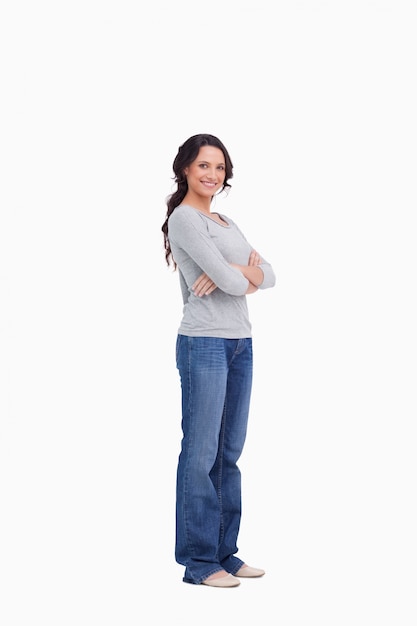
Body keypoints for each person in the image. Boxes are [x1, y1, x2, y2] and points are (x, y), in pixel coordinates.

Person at [161, 133, 276, 588]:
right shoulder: (185, 220)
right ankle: (198, 561)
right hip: (204, 342)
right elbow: (236, 281)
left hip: (241, 342)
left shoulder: (226, 222)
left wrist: (240, 275)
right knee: (201, 452)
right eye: (204, 166)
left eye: (220, 168)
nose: (213, 175)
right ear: (186, 168)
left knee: (229, 453)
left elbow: (270, 275)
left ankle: (225, 552)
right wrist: (240, 276)